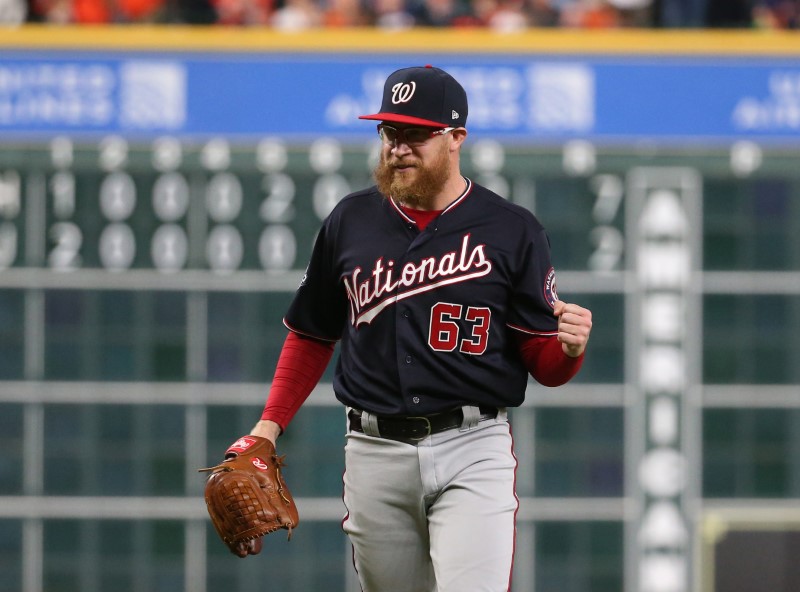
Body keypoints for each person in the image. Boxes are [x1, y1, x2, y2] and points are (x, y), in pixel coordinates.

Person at [246, 65, 593, 591]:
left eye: (415, 135)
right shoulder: (350, 220)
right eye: (389, 133)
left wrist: (569, 350)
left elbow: (544, 365)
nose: (398, 148)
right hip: (373, 452)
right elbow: (312, 333)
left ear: (456, 138)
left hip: (472, 447)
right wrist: (267, 428)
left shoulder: (511, 229)